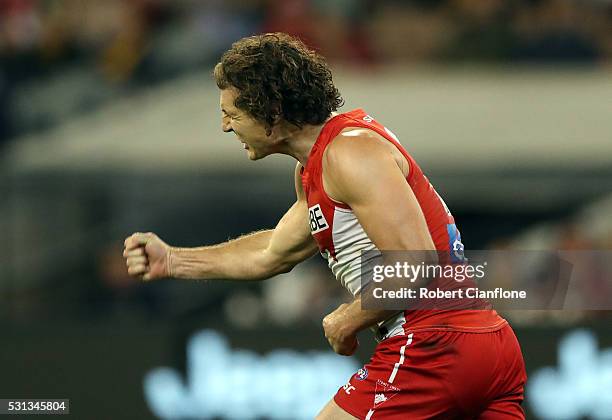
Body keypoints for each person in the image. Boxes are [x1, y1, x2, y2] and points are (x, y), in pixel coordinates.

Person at [123, 33, 526, 419]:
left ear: (271, 113)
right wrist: (174, 260)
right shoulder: (316, 167)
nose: (226, 127)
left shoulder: (349, 153)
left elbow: (417, 263)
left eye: (232, 114)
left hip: (435, 342)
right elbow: (271, 253)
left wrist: (346, 318)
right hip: (483, 341)